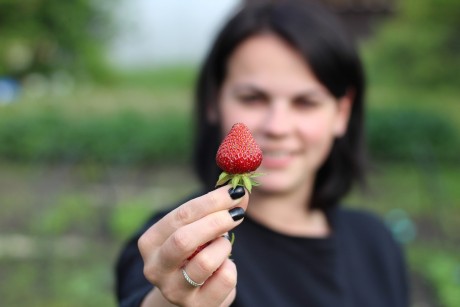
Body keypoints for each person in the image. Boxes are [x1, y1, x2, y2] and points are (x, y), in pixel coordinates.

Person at [115, 1, 409, 306]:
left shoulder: (377, 242)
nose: (277, 126)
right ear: (213, 102)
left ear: (342, 113)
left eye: (306, 102)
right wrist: (169, 300)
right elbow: (151, 292)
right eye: (252, 97)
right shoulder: (178, 241)